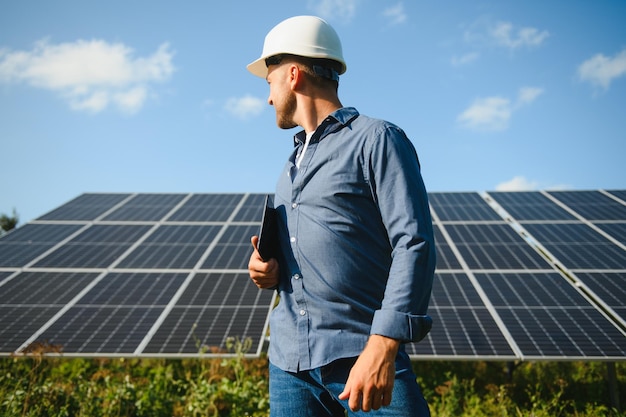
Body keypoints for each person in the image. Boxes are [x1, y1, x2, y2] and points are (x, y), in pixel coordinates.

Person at [247, 15, 436, 416]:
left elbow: (413, 243)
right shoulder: (290, 164)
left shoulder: (376, 139)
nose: (268, 98)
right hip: (289, 365)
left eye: (269, 82)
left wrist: (383, 345)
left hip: (362, 357)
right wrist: (268, 269)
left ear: (293, 74)